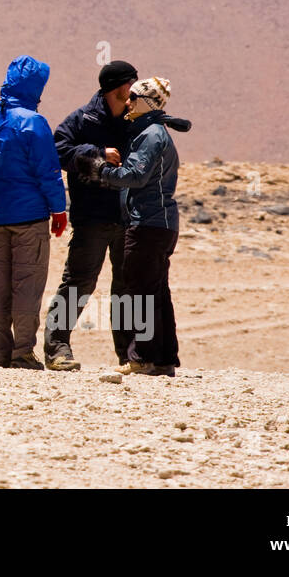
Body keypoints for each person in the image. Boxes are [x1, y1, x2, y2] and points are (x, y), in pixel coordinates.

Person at [0, 55, 68, 369]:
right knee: (27, 283)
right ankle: (22, 352)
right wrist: (59, 209)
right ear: (33, 88)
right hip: (29, 219)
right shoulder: (33, 122)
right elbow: (48, 172)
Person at [42, 60, 138, 371]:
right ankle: (57, 349)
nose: (134, 90)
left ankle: (131, 355)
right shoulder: (83, 119)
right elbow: (57, 152)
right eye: (130, 83)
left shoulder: (134, 118)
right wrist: (97, 153)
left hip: (127, 216)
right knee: (78, 283)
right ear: (117, 87)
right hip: (92, 217)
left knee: (127, 286)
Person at [90, 76, 182, 377]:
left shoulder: (151, 135)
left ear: (145, 102)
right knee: (156, 290)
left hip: (148, 223)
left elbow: (135, 176)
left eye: (132, 98)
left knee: (139, 290)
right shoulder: (157, 132)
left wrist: (100, 170)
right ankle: (164, 358)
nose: (126, 102)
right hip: (161, 224)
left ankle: (141, 356)